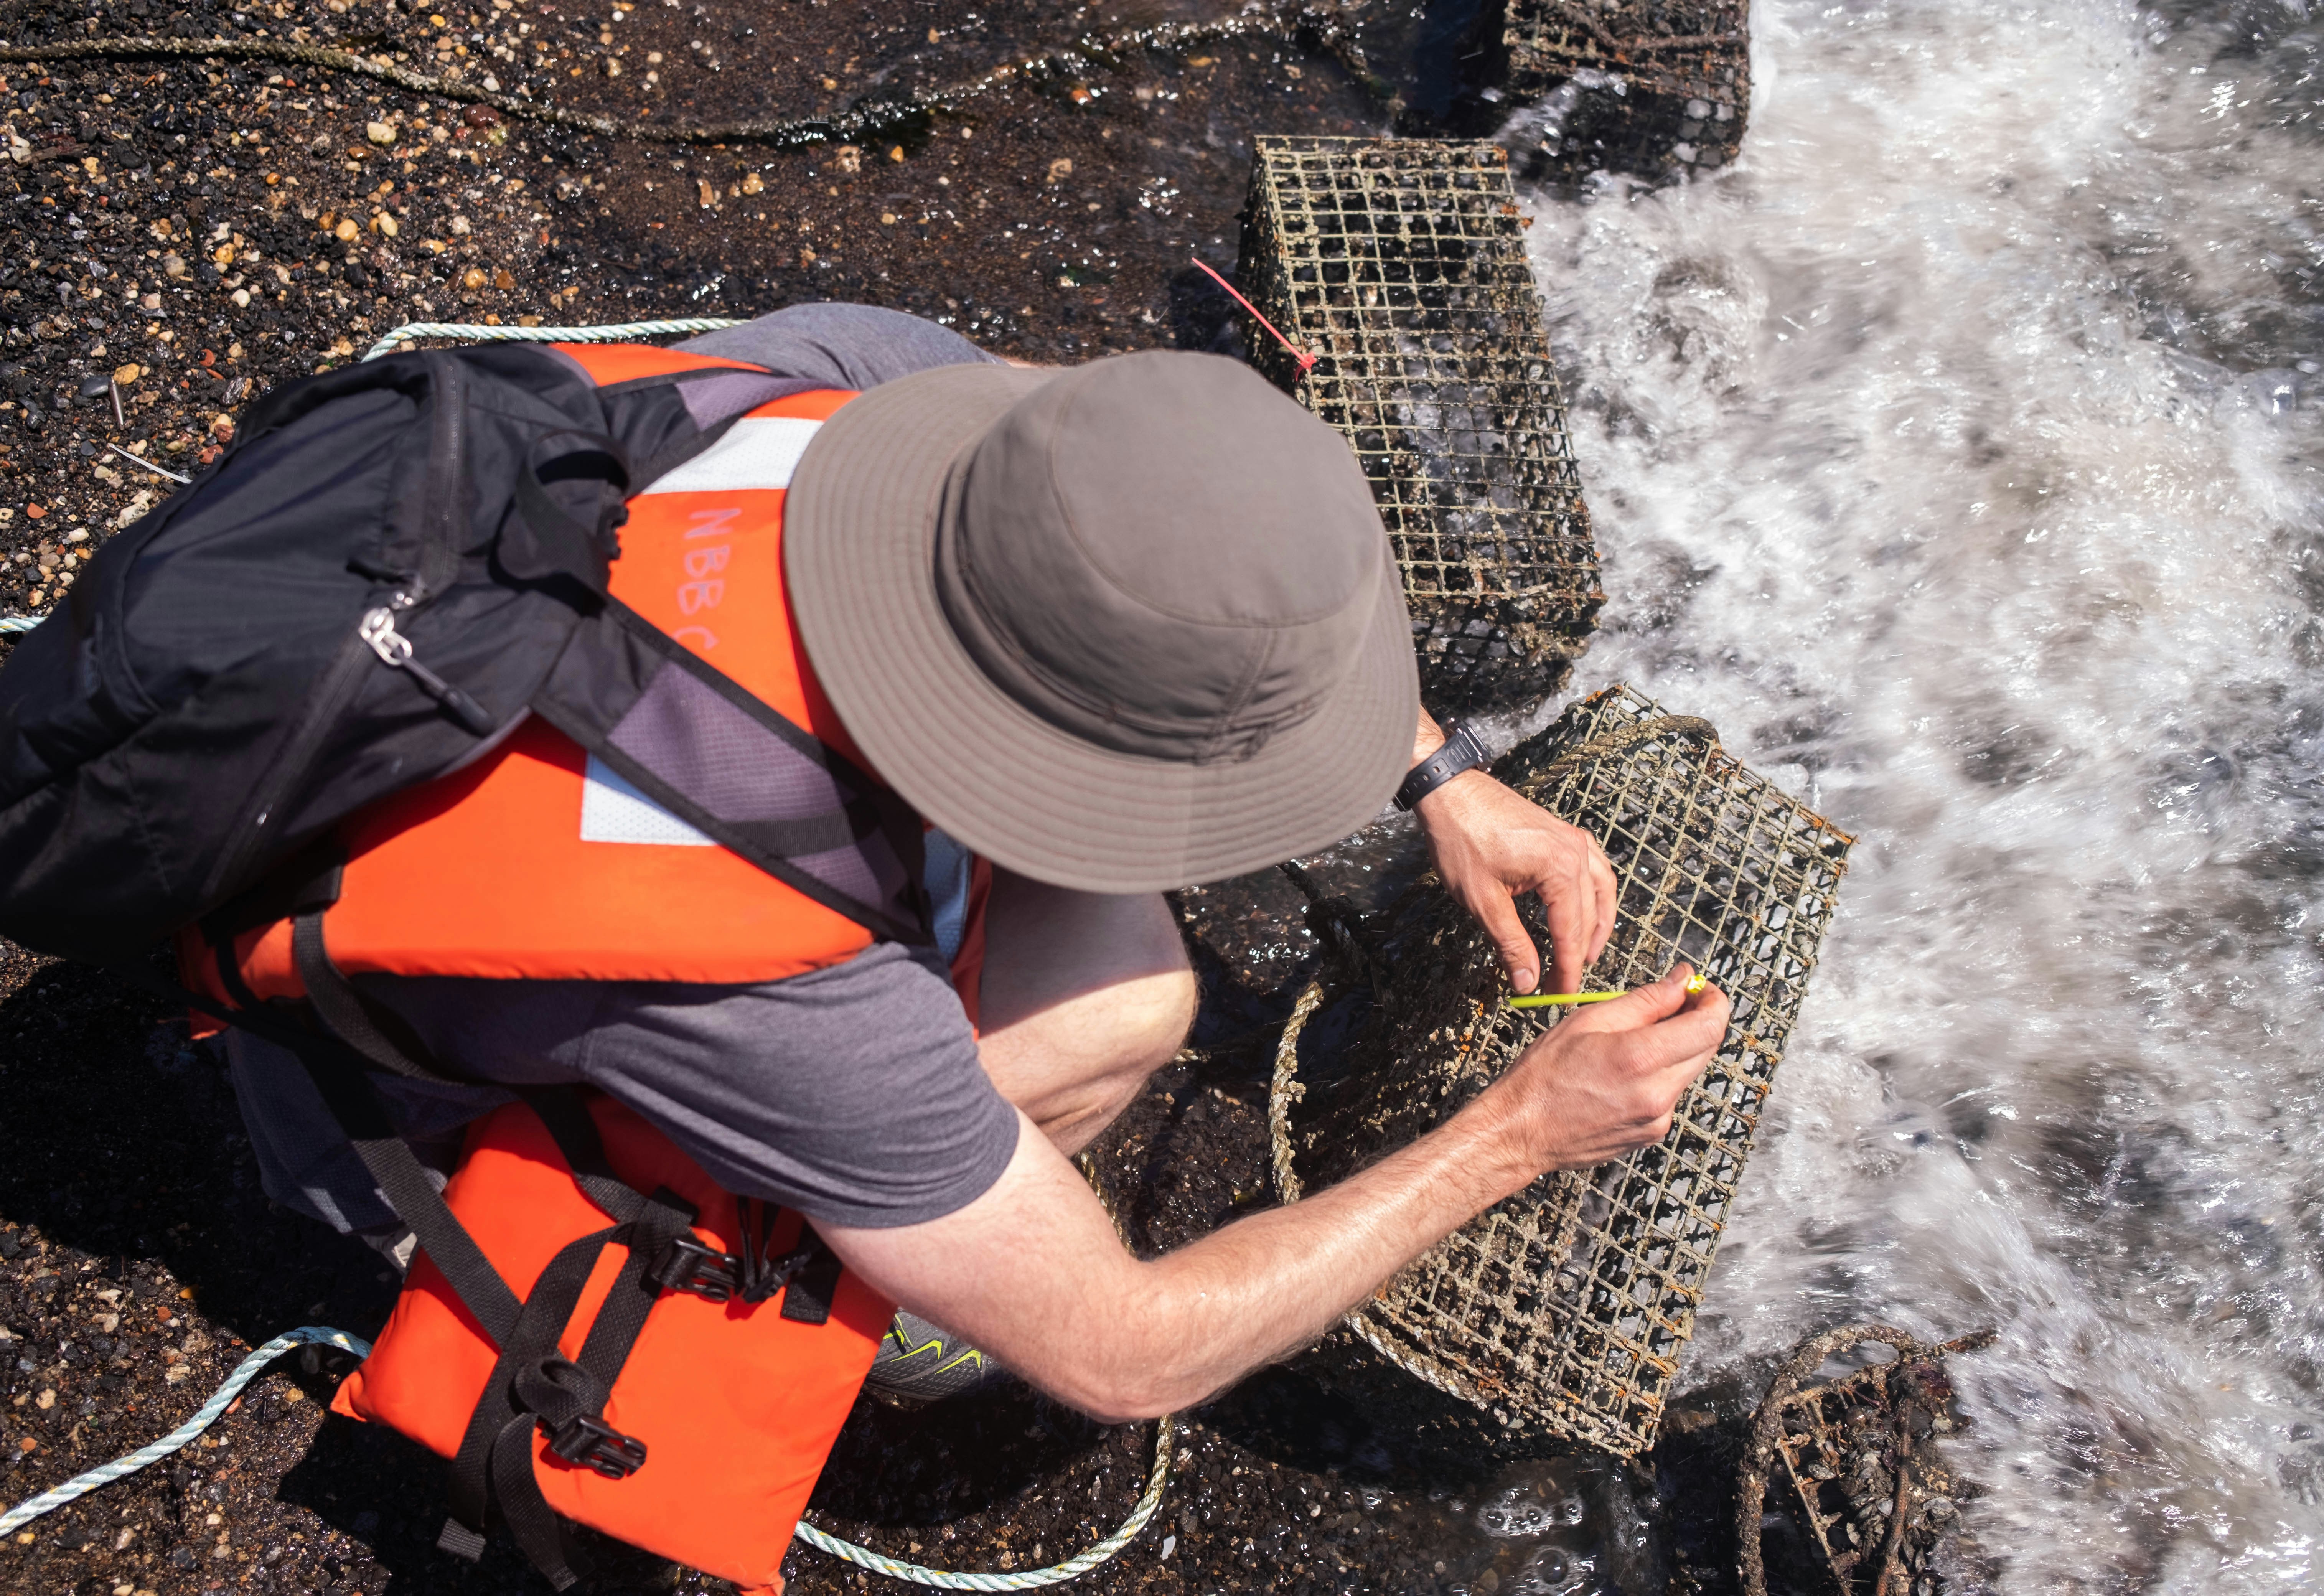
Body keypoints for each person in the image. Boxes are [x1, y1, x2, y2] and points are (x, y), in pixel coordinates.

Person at [223, 302, 1731, 1420]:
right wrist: (1523, 1129)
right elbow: (1124, 1350)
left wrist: (1439, 770)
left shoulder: (878, 388)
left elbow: (1151, 502)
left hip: (432, 715)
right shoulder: (787, 986)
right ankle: (848, 1259)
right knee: (1121, 1013)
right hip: (414, 1096)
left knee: (1127, 976)